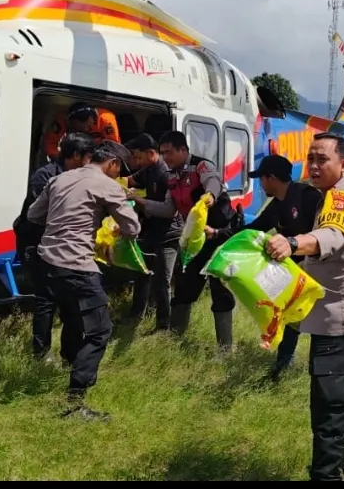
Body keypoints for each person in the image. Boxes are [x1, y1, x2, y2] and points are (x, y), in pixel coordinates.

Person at [264, 133, 344, 482]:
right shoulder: (328, 194)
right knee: (339, 397)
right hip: (343, 318)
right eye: (309, 158)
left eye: (321, 159)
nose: (312, 165)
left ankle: (327, 474)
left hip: (340, 321)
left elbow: (331, 235)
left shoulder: (341, 198)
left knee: (327, 410)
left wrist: (295, 242)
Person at [26, 140, 141, 420]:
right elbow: (132, 228)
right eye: (119, 170)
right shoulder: (107, 185)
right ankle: (75, 399)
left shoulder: (59, 178)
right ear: (112, 163)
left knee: (74, 319)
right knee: (99, 330)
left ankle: (68, 365)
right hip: (76, 264)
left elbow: (33, 215)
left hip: (47, 263)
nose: (119, 175)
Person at [210, 154, 322, 379]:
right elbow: (255, 229)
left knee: (319, 321)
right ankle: (283, 365)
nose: (260, 184)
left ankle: (319, 369)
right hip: (295, 273)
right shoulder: (277, 205)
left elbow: (323, 233)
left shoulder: (307, 197)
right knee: (289, 314)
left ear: (271, 178)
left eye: (261, 179)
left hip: (319, 269)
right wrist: (217, 234)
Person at [130, 130, 243, 353]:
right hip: (195, 240)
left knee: (219, 289)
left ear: (183, 150)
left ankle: (225, 350)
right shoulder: (172, 177)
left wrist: (208, 197)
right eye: (162, 153)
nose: (165, 157)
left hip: (220, 236)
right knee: (184, 288)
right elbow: (168, 209)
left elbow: (214, 182)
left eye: (169, 152)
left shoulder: (201, 167)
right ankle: (175, 341)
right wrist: (140, 201)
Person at [13, 132, 95, 361]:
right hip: (37, 244)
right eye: (89, 157)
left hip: (60, 247)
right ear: (76, 155)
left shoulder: (75, 176)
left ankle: (69, 355)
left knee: (68, 301)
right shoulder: (45, 176)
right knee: (46, 299)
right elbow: (48, 215)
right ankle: (40, 353)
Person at [124, 133, 180, 332]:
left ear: (150, 153)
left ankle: (163, 327)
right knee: (141, 273)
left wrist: (139, 201)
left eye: (138, 157)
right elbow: (130, 180)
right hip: (150, 231)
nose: (135, 162)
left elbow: (168, 210)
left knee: (162, 281)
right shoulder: (147, 169)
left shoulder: (166, 174)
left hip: (169, 234)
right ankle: (136, 315)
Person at [41, 101, 120, 161]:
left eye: (89, 127)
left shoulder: (106, 118)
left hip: (98, 156)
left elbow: (113, 147)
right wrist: (61, 160)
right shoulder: (63, 118)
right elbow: (50, 143)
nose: (85, 131)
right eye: (78, 130)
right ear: (70, 122)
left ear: (92, 118)